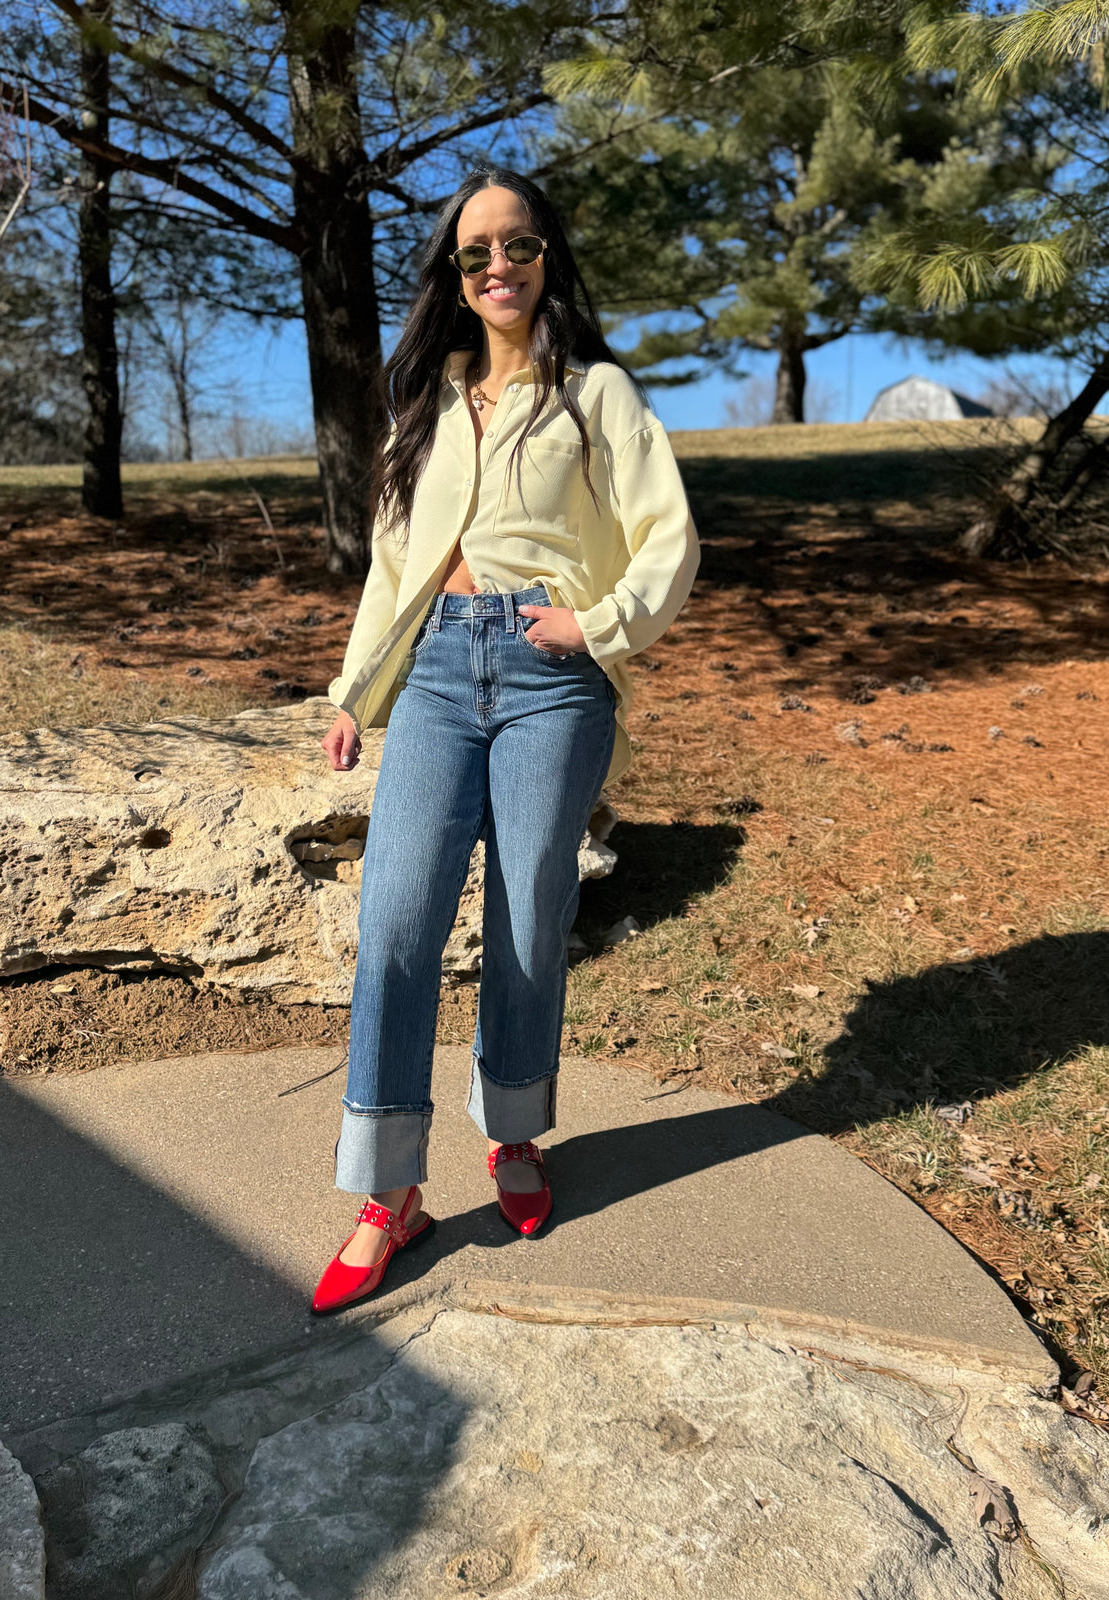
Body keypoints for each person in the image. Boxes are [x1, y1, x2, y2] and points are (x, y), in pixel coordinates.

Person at [311, 162, 700, 1315]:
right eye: (475, 251)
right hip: (434, 669)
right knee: (396, 921)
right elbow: (395, 561)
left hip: (549, 674)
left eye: (518, 246)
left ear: (547, 260)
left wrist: (597, 623)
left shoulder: (598, 396)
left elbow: (667, 541)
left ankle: (516, 1133)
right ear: (452, 272)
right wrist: (352, 691)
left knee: (530, 913)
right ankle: (389, 1194)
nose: (498, 266)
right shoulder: (426, 402)